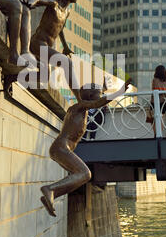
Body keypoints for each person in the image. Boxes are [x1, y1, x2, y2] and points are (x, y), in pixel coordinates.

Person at [40, 78, 132, 217]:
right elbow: (98, 102)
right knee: (85, 174)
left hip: (61, 149)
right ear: (90, 97)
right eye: (99, 94)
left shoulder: (80, 108)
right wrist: (120, 91)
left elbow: (96, 99)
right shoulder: (80, 106)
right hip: (61, 148)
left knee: (79, 177)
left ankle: (51, 194)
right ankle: (49, 189)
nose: (100, 98)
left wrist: (103, 88)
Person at [28, 0, 80, 100]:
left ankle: (12, 77)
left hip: (46, 47)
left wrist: (65, 47)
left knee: (44, 76)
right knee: (67, 63)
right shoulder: (54, 5)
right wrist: (32, 2)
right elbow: (40, 0)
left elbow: (60, 29)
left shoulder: (66, 12)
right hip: (37, 44)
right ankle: (80, 99)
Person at [150, 65, 166, 136]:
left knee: (152, 119)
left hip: (154, 102)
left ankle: (155, 134)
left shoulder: (154, 80)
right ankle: (159, 134)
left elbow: (153, 89)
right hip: (164, 102)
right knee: (160, 119)